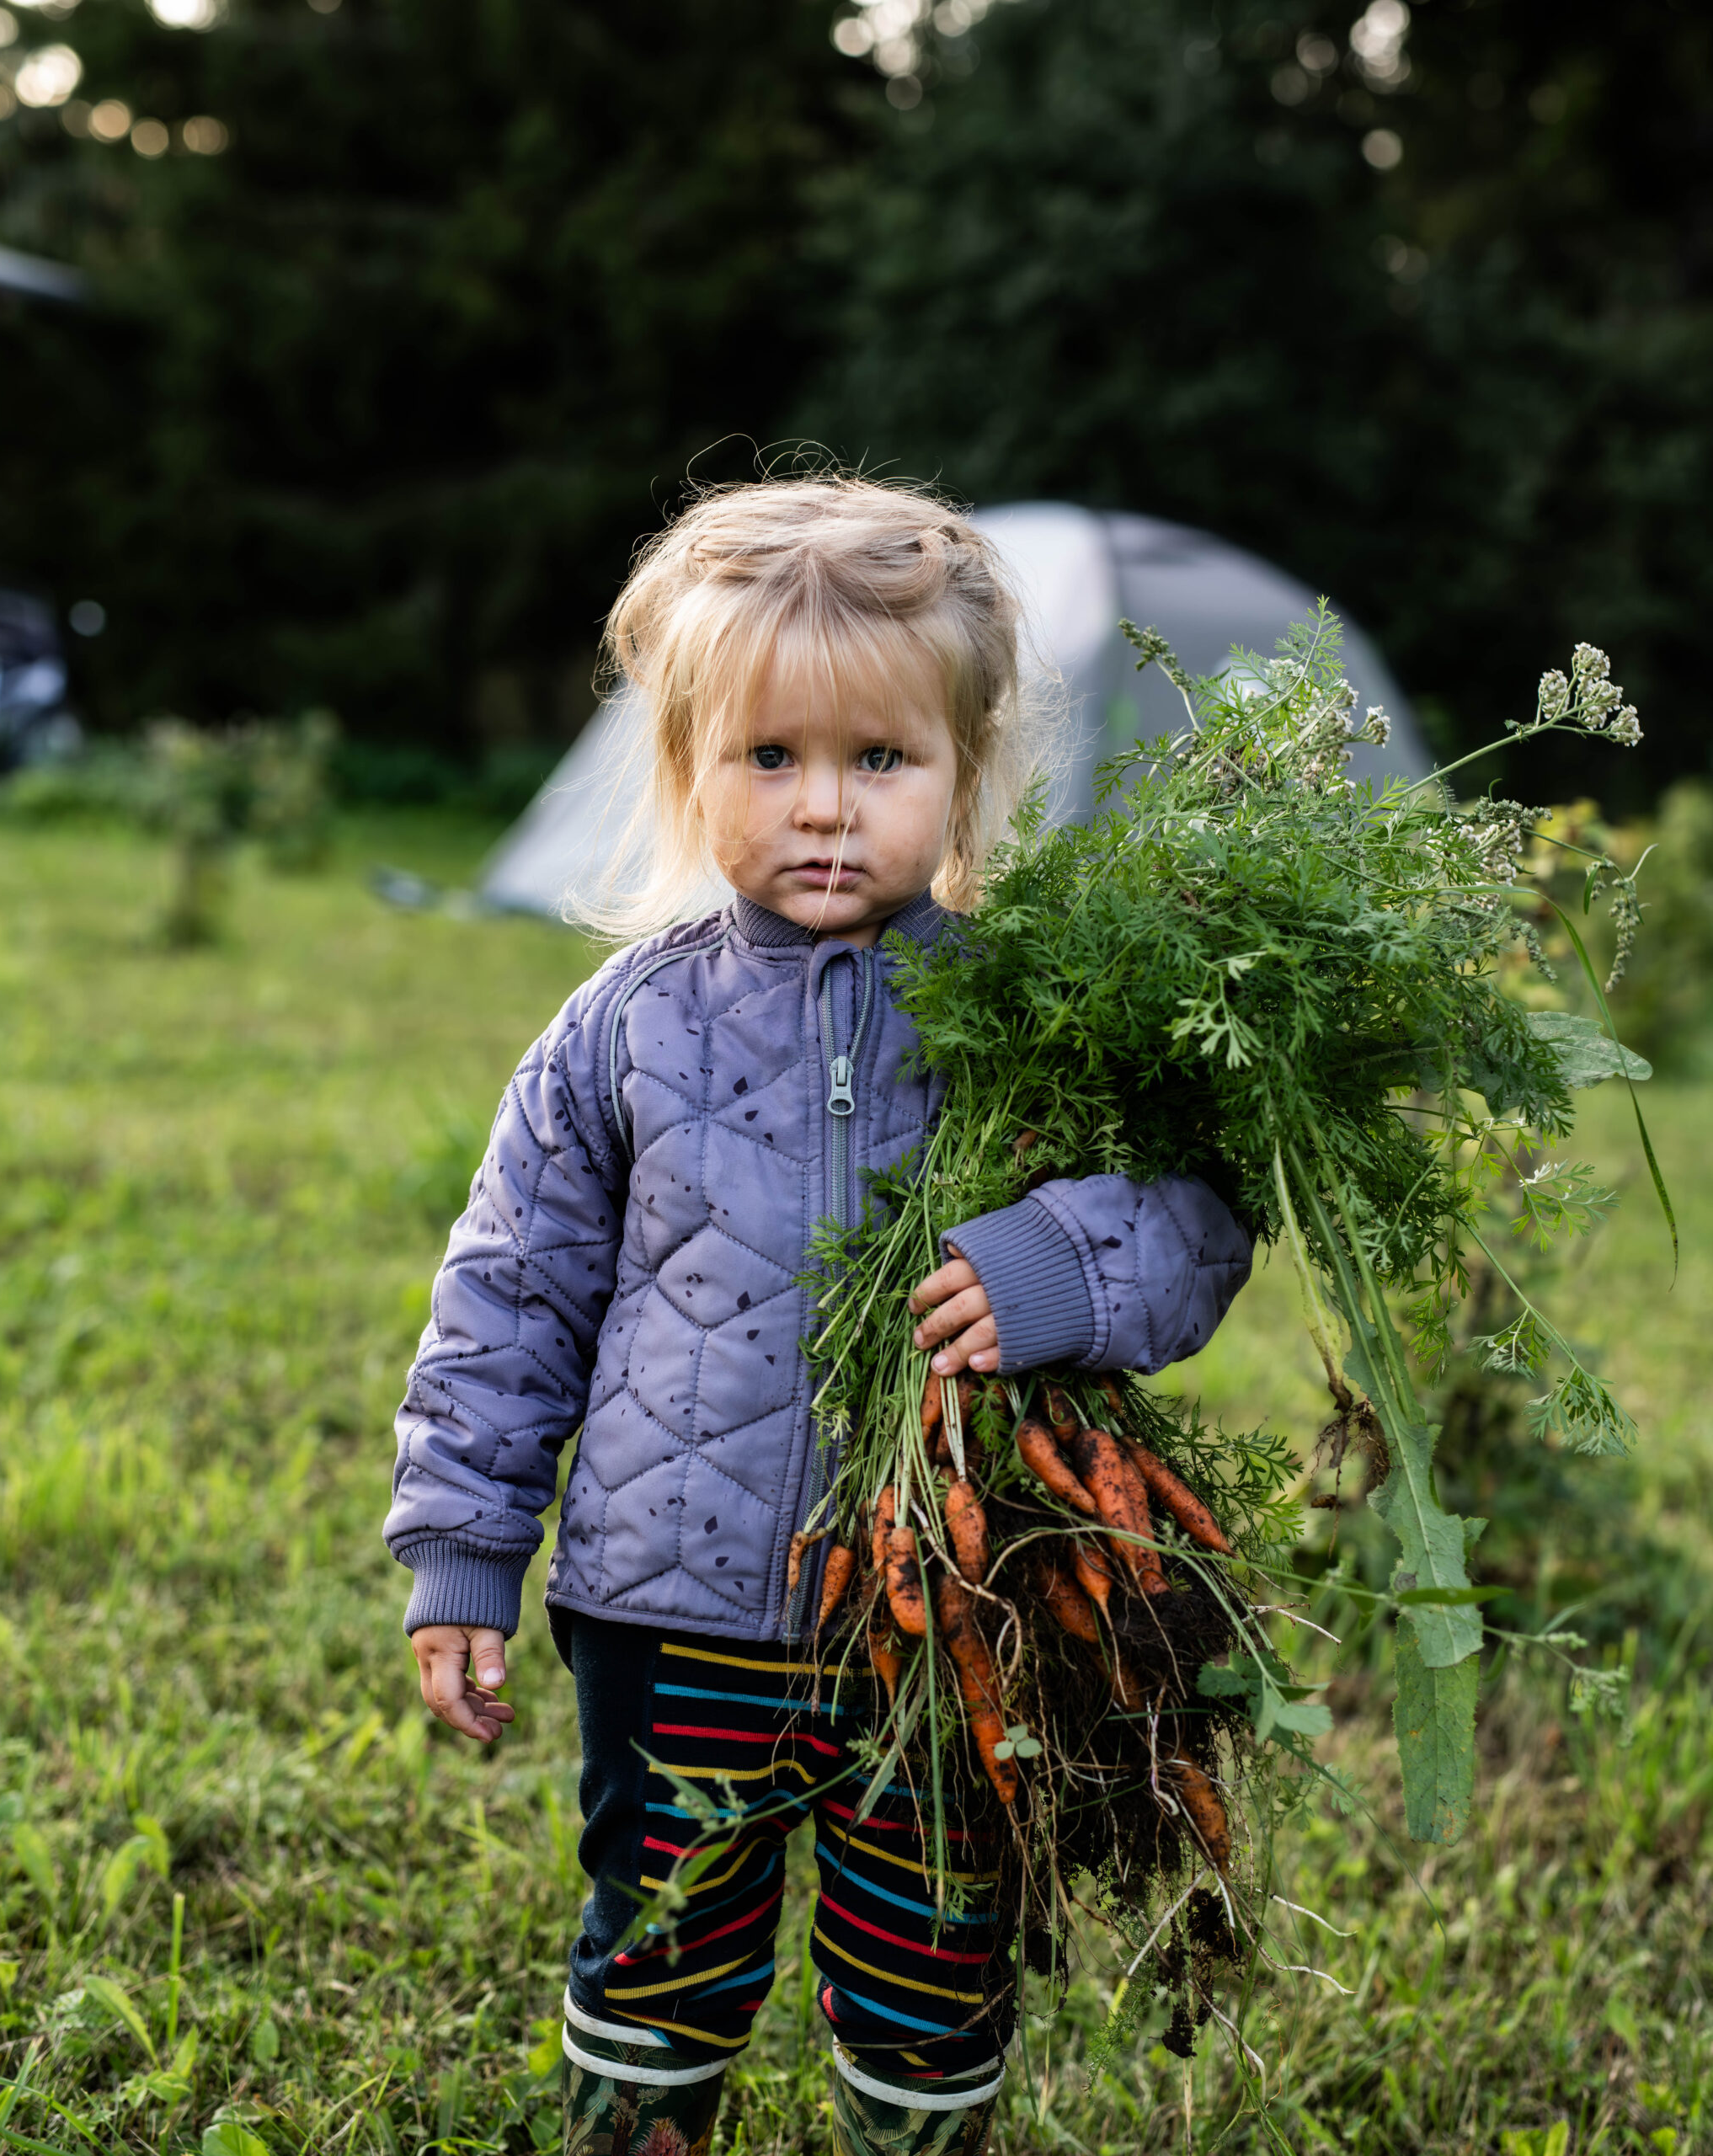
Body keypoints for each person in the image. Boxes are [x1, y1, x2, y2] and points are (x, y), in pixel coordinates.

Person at [384, 476, 1252, 2156]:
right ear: (685, 767)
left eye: (881, 760)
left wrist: (1065, 1264)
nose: (826, 809)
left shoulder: (1028, 1013)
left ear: (967, 770)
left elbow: (1197, 1219)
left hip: (944, 1610)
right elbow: (508, 1293)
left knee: (931, 1956)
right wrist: (462, 1551)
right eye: (770, 759)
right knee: (663, 1942)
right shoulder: (619, 1029)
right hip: (667, 1599)